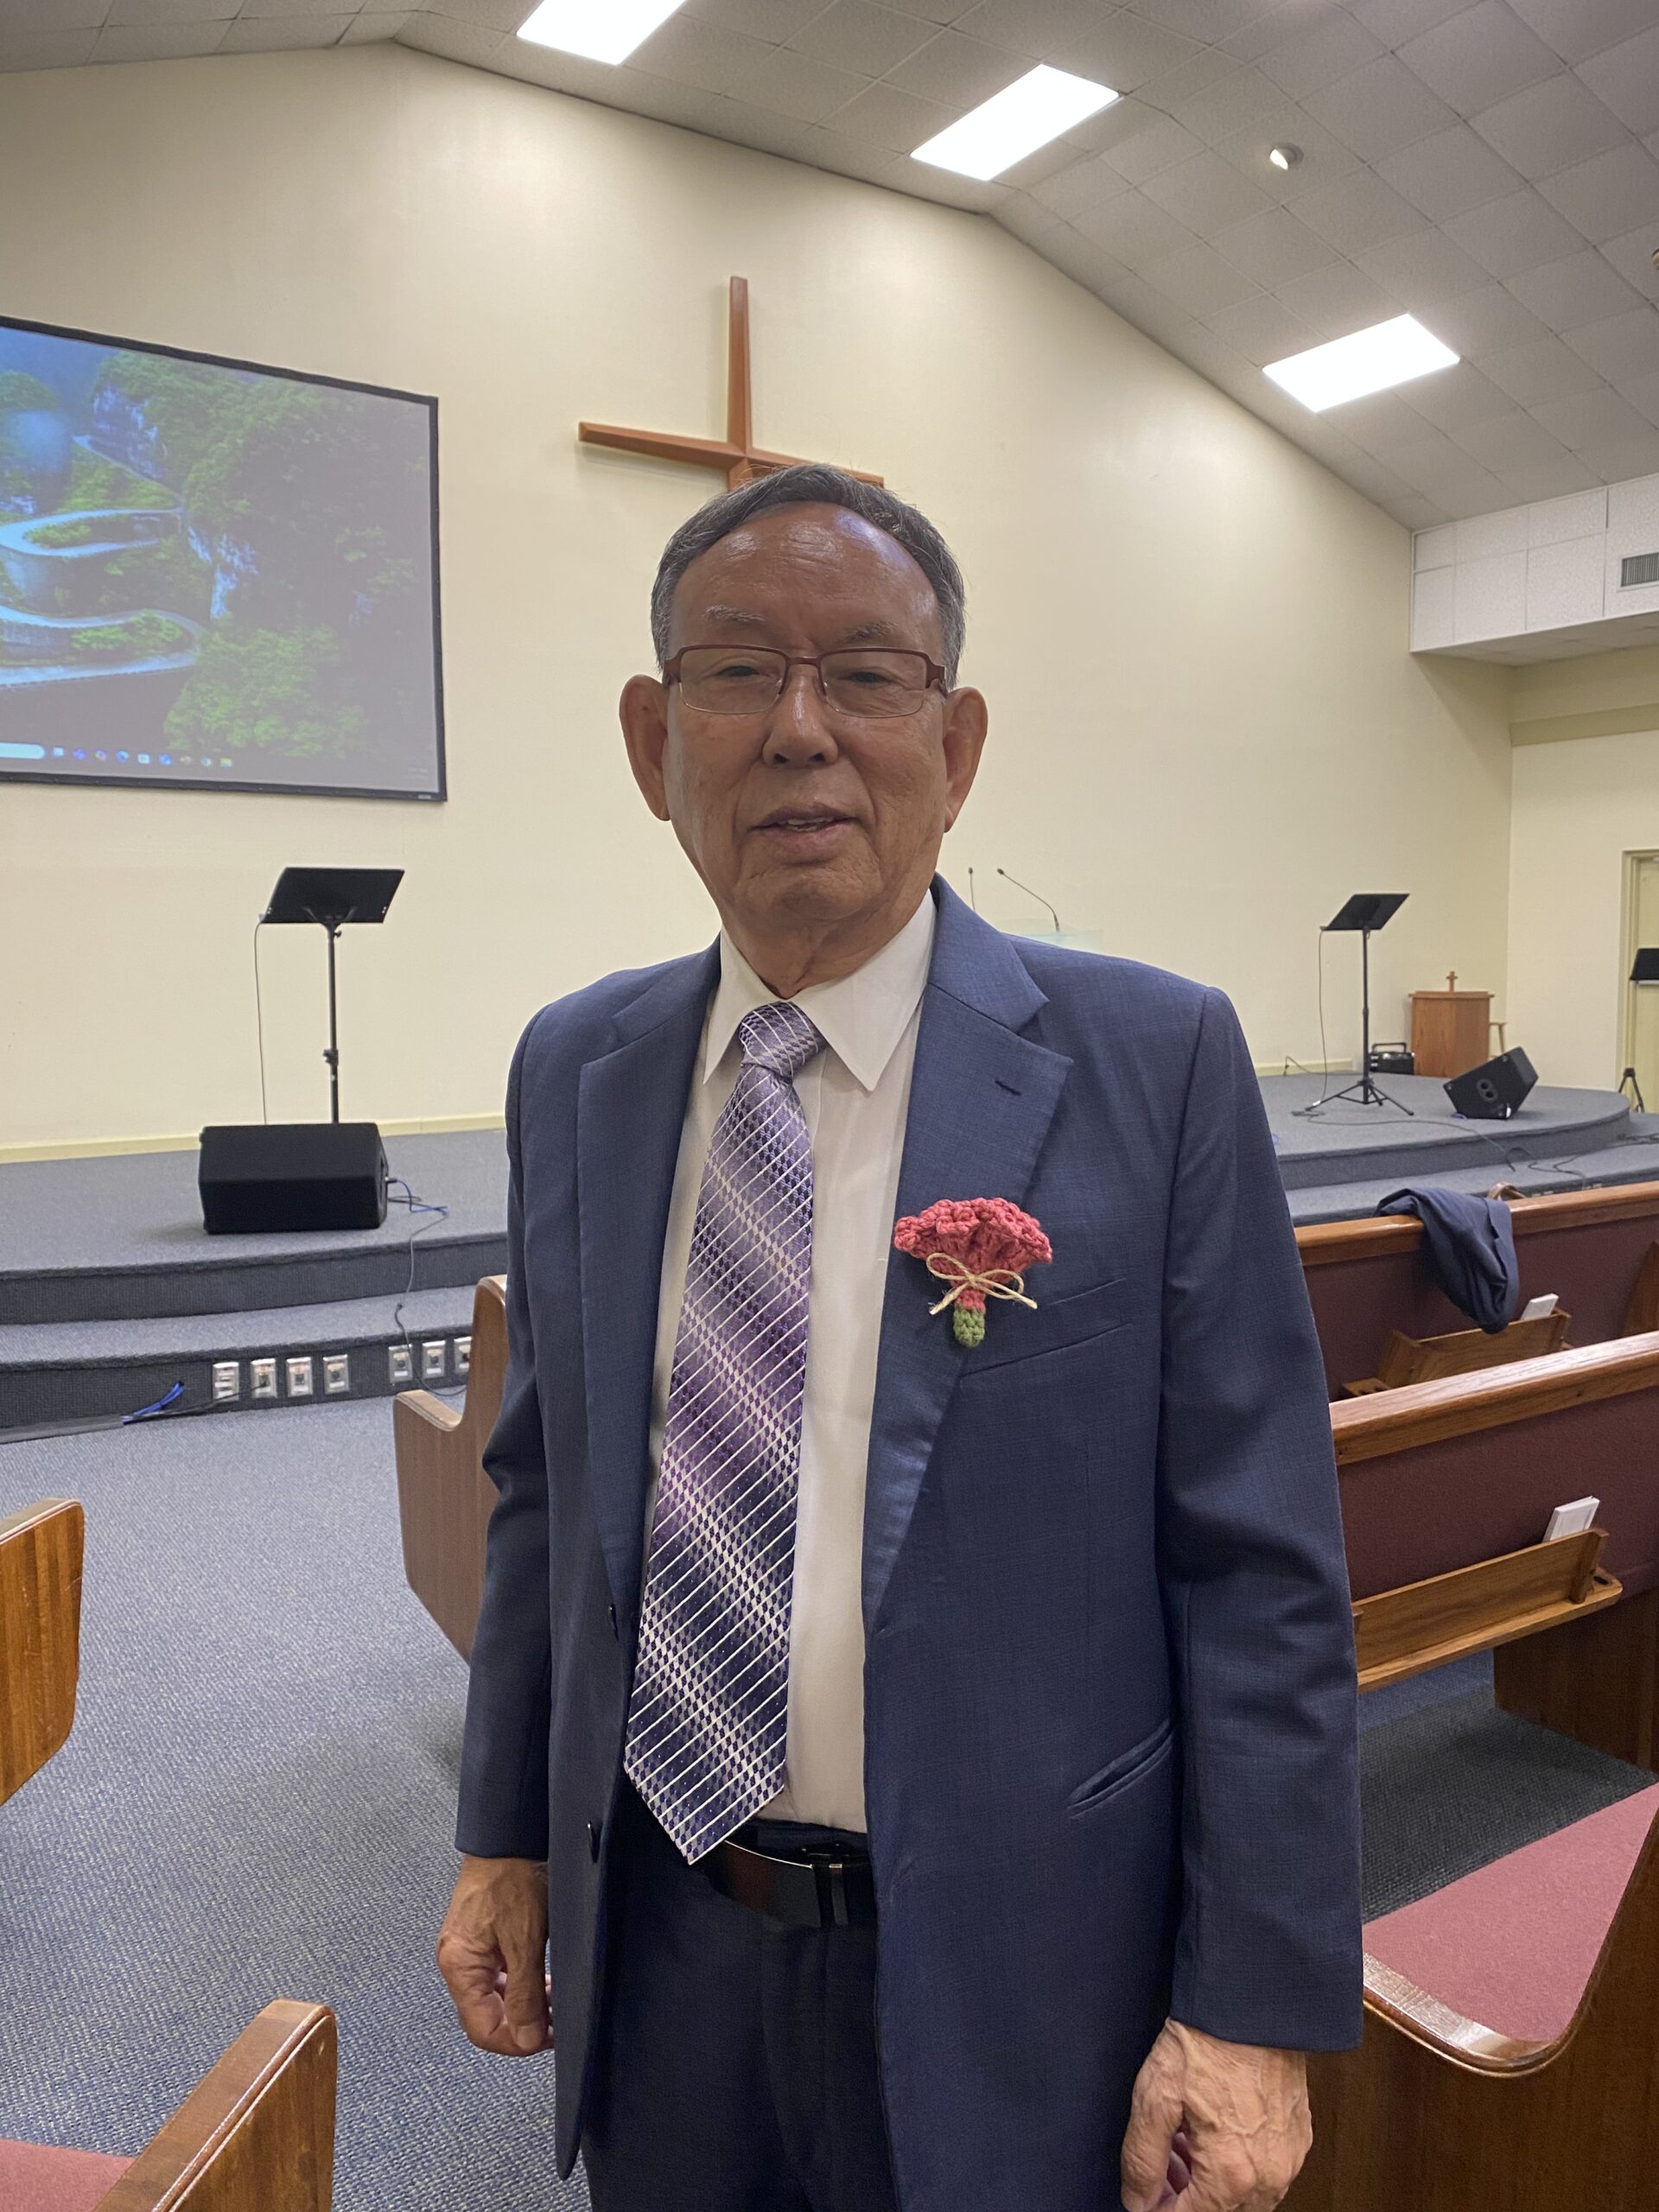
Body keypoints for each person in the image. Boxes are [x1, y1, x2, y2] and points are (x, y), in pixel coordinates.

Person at [437, 463, 1362, 2212]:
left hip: (1027, 1969)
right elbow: (545, 1489)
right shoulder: (577, 1069)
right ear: (651, 740)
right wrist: (504, 1832)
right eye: (737, 670)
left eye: (866, 673)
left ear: (959, 741)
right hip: (667, 1945)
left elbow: (1262, 1570)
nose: (801, 730)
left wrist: (1251, 2004)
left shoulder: (1152, 1063)